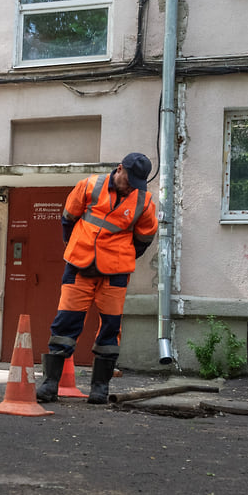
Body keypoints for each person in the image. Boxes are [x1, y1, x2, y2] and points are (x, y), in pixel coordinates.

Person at [36, 152, 158, 405]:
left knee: (111, 328)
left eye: (137, 183)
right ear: (119, 169)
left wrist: (122, 256)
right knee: (66, 323)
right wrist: (76, 246)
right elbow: (68, 218)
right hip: (79, 267)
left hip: (115, 274)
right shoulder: (90, 185)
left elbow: (145, 238)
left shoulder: (143, 202)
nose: (131, 187)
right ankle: (49, 384)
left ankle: (100, 387)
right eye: (129, 180)